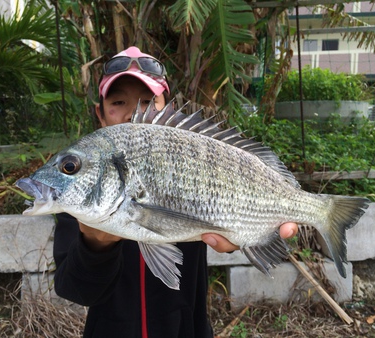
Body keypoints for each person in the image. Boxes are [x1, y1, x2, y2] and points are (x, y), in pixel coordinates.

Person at [53, 46, 298, 338]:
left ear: (166, 107)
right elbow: (75, 291)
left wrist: (242, 232)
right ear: (101, 115)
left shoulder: (191, 155)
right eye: (118, 101)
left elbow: (233, 205)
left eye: (147, 102)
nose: (133, 113)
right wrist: (95, 246)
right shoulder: (82, 186)